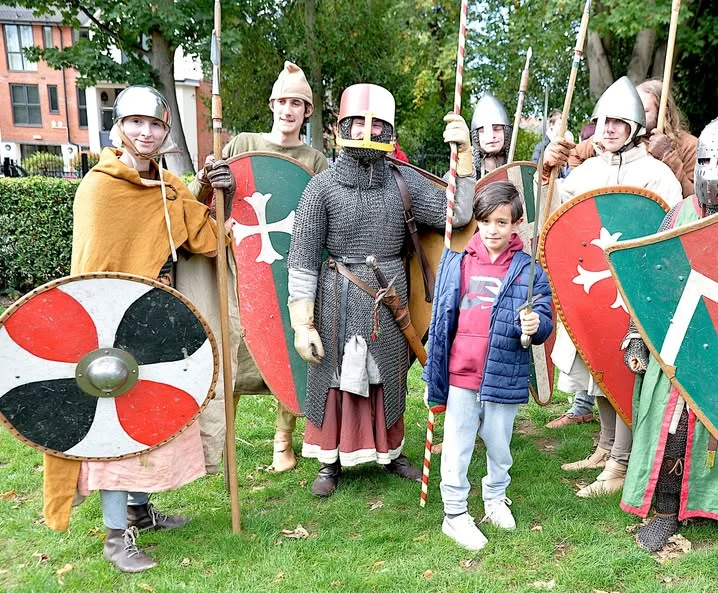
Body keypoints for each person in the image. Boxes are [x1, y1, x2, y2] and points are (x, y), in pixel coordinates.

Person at [46, 85, 235, 572]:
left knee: (150, 422)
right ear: (119, 126)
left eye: (154, 124)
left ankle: (139, 509)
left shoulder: (169, 187)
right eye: (135, 123)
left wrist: (216, 189)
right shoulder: (100, 186)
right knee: (113, 432)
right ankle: (115, 538)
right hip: (109, 332)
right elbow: (93, 271)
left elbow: (209, 239)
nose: (145, 133)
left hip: (155, 325)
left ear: (166, 131)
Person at [286, 83, 475, 497]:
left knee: (388, 375)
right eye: (358, 124)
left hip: (391, 293)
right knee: (334, 377)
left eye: (377, 126)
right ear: (341, 128)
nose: (367, 132)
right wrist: (303, 323)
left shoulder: (401, 182)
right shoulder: (321, 188)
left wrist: (464, 156)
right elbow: (301, 259)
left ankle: (392, 452)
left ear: (391, 134)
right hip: (338, 293)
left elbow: (457, 215)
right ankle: (330, 461)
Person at [620, 115, 718, 552]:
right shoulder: (679, 214)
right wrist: (637, 335)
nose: (714, 168)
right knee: (673, 427)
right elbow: (651, 279)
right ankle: (666, 511)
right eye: (706, 158)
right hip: (680, 336)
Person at [542, 76, 682, 497]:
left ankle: (621, 463)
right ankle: (605, 447)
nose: (608, 129)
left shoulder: (657, 175)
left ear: (636, 127)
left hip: (636, 291)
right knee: (598, 364)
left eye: (619, 122)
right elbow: (557, 223)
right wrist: (547, 174)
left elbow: (669, 231)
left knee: (626, 367)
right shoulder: (585, 172)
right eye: (603, 121)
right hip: (594, 287)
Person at [188, 61, 329, 474]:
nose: (289, 110)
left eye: (297, 104)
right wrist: (206, 179)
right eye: (283, 101)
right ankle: (222, 440)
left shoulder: (315, 160)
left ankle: (282, 440)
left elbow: (322, 215)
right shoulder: (242, 144)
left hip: (291, 270)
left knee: (288, 349)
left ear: (307, 112)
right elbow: (203, 204)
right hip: (239, 267)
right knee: (231, 347)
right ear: (272, 105)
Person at [422, 180, 553, 550]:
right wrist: (435, 366)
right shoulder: (458, 262)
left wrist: (535, 324)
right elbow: (443, 318)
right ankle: (455, 514)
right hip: (461, 372)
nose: (492, 230)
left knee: (499, 445)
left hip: (503, 373)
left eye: (501, 222)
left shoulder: (529, 272)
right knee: (458, 443)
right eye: (485, 221)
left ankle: (495, 498)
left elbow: (544, 320)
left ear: (516, 224)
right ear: (477, 221)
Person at [567, 78, 697, 196]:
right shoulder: (614, 138)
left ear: (664, 111)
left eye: (644, 110)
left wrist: (668, 156)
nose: (635, 114)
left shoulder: (688, 145)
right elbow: (575, 154)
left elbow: (693, 200)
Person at [471, 93, 511, 178]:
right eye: (483, 131)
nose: (491, 136)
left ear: (506, 132)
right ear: (476, 137)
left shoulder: (517, 172)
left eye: (497, 129)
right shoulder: (466, 174)